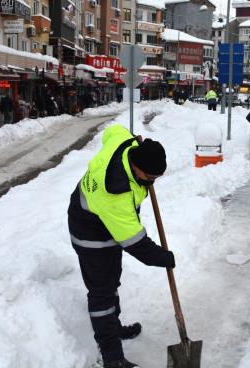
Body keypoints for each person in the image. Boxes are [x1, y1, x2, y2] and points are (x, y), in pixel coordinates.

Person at [67, 124, 176, 368]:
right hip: (90, 232)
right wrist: (164, 257)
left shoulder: (125, 143)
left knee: (111, 279)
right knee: (102, 293)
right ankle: (112, 357)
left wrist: (134, 139)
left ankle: (113, 328)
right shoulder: (116, 192)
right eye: (150, 178)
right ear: (136, 167)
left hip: (106, 224)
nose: (152, 184)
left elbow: (113, 130)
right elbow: (137, 244)